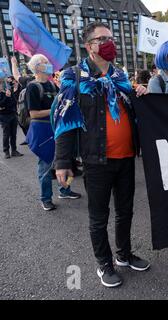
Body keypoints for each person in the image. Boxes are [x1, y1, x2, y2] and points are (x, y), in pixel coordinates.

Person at [53, 22, 150, 288]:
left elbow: (133, 108)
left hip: (126, 157)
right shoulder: (74, 76)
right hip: (96, 160)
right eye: (102, 38)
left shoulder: (120, 76)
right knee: (99, 216)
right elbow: (65, 120)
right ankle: (104, 264)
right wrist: (63, 161)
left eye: (111, 37)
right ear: (89, 46)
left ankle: (124, 255)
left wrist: (140, 93)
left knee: (126, 211)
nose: (110, 42)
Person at [25, 54, 81, 212]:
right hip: (42, 130)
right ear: (36, 67)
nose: (49, 64)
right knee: (45, 165)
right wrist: (55, 110)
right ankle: (46, 198)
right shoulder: (33, 87)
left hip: (56, 128)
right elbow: (33, 114)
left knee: (65, 161)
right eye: (45, 62)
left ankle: (65, 190)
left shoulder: (52, 85)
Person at [0, 77, 23, 159]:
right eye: (1, 85)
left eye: (2, 84)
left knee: (13, 134)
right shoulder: (3, 94)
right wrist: (6, 97)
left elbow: (14, 102)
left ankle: (14, 150)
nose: (2, 86)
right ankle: (6, 151)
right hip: (4, 116)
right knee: (6, 134)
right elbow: (1, 104)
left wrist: (9, 96)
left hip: (13, 114)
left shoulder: (8, 91)